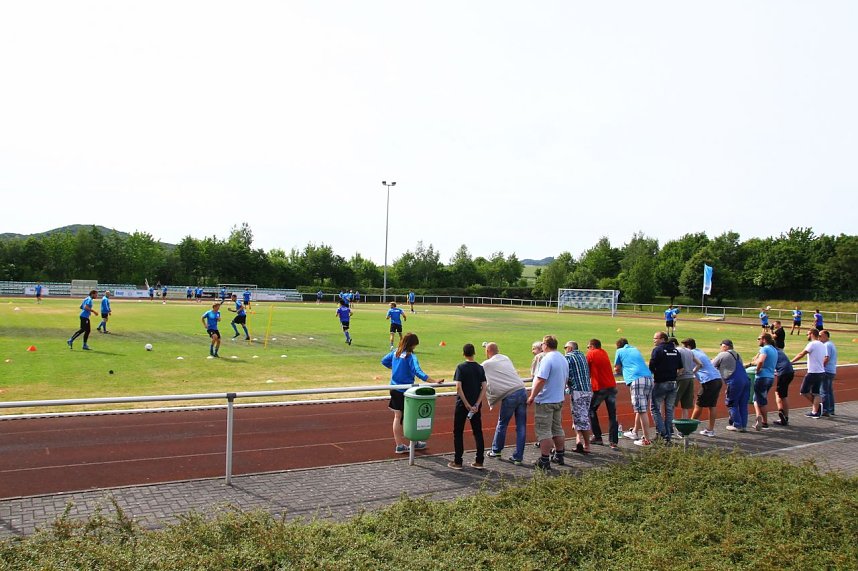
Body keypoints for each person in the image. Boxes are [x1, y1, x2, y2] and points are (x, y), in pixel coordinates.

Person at [381, 332, 443, 454]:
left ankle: (400, 445)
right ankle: (413, 442)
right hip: (407, 392)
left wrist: (394, 367)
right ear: (412, 345)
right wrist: (434, 381)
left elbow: (383, 361)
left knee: (398, 417)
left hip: (394, 389)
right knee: (412, 417)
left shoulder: (395, 353)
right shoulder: (411, 356)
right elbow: (418, 371)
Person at [527, 335, 569, 470]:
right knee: (557, 428)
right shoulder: (562, 358)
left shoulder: (547, 359)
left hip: (546, 399)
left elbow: (540, 379)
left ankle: (544, 460)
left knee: (543, 430)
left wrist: (532, 396)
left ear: (545, 345)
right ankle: (559, 454)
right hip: (558, 398)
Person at [482, 342, 527, 465]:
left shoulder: (486, 364)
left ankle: (496, 450)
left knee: (502, 423)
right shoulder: (505, 357)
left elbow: (478, 374)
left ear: (487, 352)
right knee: (521, 426)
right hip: (522, 390)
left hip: (510, 395)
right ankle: (518, 457)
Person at [448, 343, 487, 470]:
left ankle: (458, 461)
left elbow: (458, 387)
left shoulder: (461, 367)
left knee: (458, 432)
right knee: (478, 432)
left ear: (463, 353)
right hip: (476, 406)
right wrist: (476, 404)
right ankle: (479, 461)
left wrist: (466, 404)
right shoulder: (480, 368)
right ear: (474, 353)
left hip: (462, 405)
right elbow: (484, 387)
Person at [683, 338, 730, 435]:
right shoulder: (699, 351)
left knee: (699, 404)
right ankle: (710, 429)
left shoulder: (691, 354)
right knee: (712, 405)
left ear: (688, 346)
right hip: (717, 379)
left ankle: (688, 428)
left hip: (709, 381)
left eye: (684, 346)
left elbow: (687, 368)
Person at [614, 338, 654, 447]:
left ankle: (646, 439)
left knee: (641, 410)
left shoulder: (620, 351)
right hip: (649, 379)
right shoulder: (635, 349)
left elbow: (617, 368)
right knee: (641, 408)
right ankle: (635, 432)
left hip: (636, 379)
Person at [649, 332, 682, 443]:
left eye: (655, 338)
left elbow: (651, 365)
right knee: (669, 410)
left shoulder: (657, 350)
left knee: (655, 408)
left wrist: (657, 374)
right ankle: (668, 434)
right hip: (673, 383)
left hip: (661, 382)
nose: (654, 340)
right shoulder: (675, 351)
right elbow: (680, 368)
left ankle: (662, 433)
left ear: (662, 339)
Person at [587, 339, 619, 449]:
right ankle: (613, 441)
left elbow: (586, 369)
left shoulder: (591, 353)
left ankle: (598, 437)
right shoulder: (604, 352)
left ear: (592, 346)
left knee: (591, 410)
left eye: (588, 347)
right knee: (612, 414)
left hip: (601, 387)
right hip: (611, 386)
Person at [712, 339, 749, 433]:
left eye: (721, 346)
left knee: (732, 403)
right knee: (743, 404)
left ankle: (737, 424)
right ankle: (743, 425)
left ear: (725, 346)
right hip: (745, 379)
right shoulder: (737, 355)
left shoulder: (723, 354)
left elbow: (712, 364)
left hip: (734, 381)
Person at [564, 341, 592, 454]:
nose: (564, 349)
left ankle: (586, 446)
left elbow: (565, 373)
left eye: (565, 347)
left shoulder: (568, 357)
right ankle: (578, 441)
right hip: (588, 390)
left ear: (570, 348)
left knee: (581, 419)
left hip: (578, 391)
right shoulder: (582, 355)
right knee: (581, 417)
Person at [791, 329, 826, 418]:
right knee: (816, 392)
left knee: (804, 391)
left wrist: (791, 362)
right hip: (821, 371)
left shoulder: (812, 344)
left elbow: (802, 354)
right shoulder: (822, 344)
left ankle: (817, 407)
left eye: (807, 334)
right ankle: (815, 411)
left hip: (813, 372)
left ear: (811, 334)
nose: (807, 336)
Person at [750, 333, 777, 430]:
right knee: (756, 398)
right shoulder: (774, 349)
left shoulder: (765, 349)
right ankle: (759, 417)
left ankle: (764, 421)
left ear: (764, 339)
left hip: (762, 377)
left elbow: (761, 361)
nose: (758, 341)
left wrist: (757, 370)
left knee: (761, 400)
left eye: (759, 339)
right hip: (770, 377)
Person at [671, 336, 701, 423]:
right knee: (686, 405)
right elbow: (699, 364)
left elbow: (679, 367)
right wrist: (692, 372)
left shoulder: (676, 351)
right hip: (690, 378)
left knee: (672, 403)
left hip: (681, 378)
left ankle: (671, 425)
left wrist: (676, 375)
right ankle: (684, 427)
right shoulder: (689, 351)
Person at [773, 346, 795, 426]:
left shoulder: (769, 350)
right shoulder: (778, 350)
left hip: (784, 373)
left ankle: (783, 414)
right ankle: (784, 414)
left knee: (780, 394)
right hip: (789, 371)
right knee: (781, 393)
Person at [819, 329, 837, 417]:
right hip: (832, 370)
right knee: (829, 391)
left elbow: (826, 358)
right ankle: (831, 409)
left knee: (824, 391)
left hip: (826, 370)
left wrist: (821, 367)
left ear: (826, 336)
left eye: (820, 336)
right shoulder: (831, 344)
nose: (819, 338)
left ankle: (826, 410)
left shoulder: (826, 345)